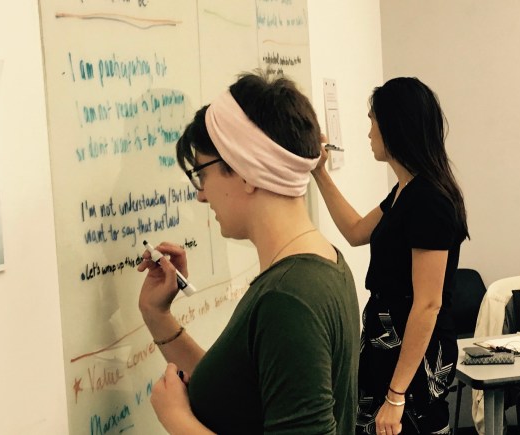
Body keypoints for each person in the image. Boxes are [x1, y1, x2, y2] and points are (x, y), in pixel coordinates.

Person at [137, 73, 359, 434]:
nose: (201, 195)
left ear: (245, 172)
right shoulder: (324, 263)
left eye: (201, 173)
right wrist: (156, 314)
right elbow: (241, 394)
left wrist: (175, 419)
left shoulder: (288, 299)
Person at [311, 77, 469, 435]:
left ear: (394, 125)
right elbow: (356, 231)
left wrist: (396, 395)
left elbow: (428, 303)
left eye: (372, 121)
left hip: (412, 359)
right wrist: (319, 172)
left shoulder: (429, 200)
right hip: (388, 346)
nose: (368, 133)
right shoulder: (406, 190)